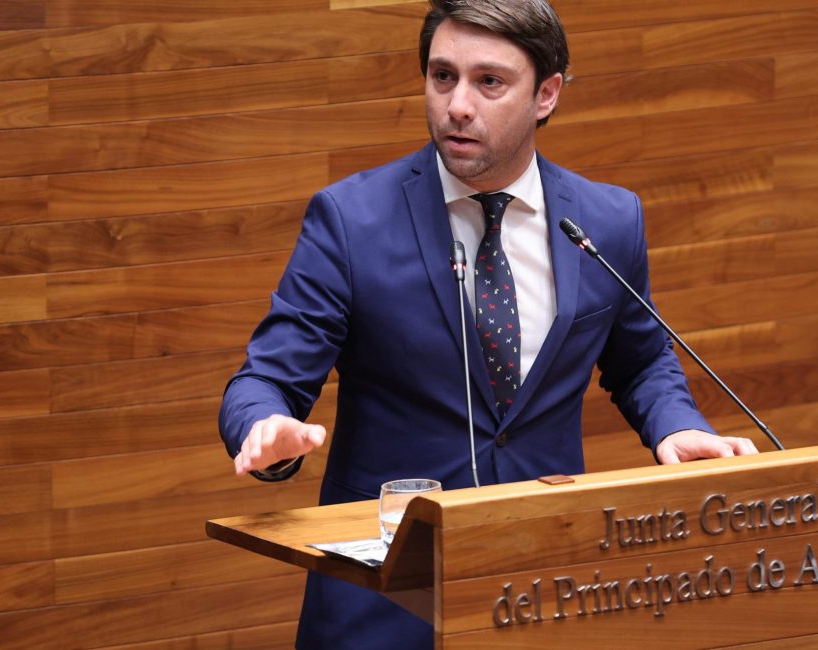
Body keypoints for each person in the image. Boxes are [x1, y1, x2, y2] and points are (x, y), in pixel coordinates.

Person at [218, 0, 757, 647]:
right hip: (383, 603)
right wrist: (263, 427)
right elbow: (266, 380)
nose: (458, 105)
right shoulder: (352, 220)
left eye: (489, 82)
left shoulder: (606, 220)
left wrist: (677, 425)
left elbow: (640, 361)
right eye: (443, 76)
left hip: (545, 588)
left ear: (546, 93)